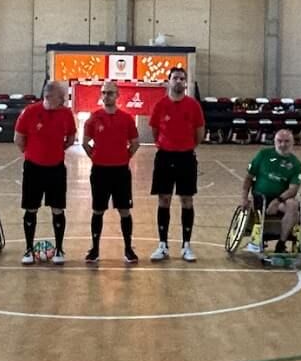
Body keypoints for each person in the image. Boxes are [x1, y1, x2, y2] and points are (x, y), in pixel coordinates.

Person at [14, 79, 76, 264]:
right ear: (49, 96)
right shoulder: (30, 112)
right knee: (31, 208)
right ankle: (28, 249)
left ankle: (59, 249)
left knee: (58, 209)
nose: (63, 100)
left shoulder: (66, 113)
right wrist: (31, 154)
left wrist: (57, 150)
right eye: (61, 97)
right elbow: (18, 138)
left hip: (56, 168)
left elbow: (71, 136)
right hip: (33, 168)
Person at [149, 66, 205, 262]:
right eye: (175, 78)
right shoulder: (160, 105)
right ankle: (162, 245)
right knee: (163, 199)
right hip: (164, 157)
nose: (179, 81)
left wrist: (186, 147)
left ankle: (186, 245)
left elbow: (199, 133)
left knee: (187, 200)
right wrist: (166, 145)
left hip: (186, 157)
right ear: (169, 81)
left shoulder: (193, 105)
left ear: (185, 82)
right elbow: (155, 131)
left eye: (182, 78)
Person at [82, 80, 140, 264]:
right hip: (100, 172)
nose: (106, 96)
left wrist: (125, 157)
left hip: (121, 172)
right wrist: (96, 157)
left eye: (110, 93)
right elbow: (85, 142)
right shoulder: (94, 118)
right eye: (104, 92)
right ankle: (95, 249)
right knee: (98, 210)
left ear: (117, 95)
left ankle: (128, 249)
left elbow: (135, 143)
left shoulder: (127, 118)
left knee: (124, 210)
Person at [240, 128, 301, 254]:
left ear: (292, 143)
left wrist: (277, 201)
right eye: (279, 141)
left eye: (287, 141)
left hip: (280, 199)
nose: (283, 144)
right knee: (290, 209)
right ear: (274, 142)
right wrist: (244, 198)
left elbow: (293, 189)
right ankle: (258, 238)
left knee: (294, 206)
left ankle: (281, 243)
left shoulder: (296, 164)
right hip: (260, 196)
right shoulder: (263, 155)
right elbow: (248, 178)